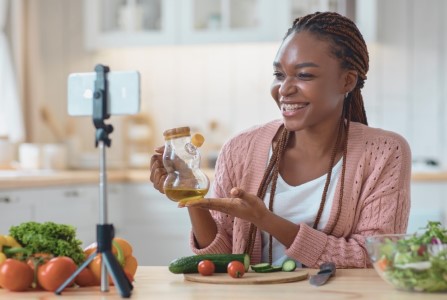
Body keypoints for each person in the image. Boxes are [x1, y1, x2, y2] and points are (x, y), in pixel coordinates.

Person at [150, 11, 411, 268]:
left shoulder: (384, 152)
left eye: (304, 75)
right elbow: (222, 259)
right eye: (279, 75)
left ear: (347, 81)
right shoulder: (240, 149)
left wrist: (266, 220)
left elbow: (374, 258)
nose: (284, 89)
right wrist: (190, 193)